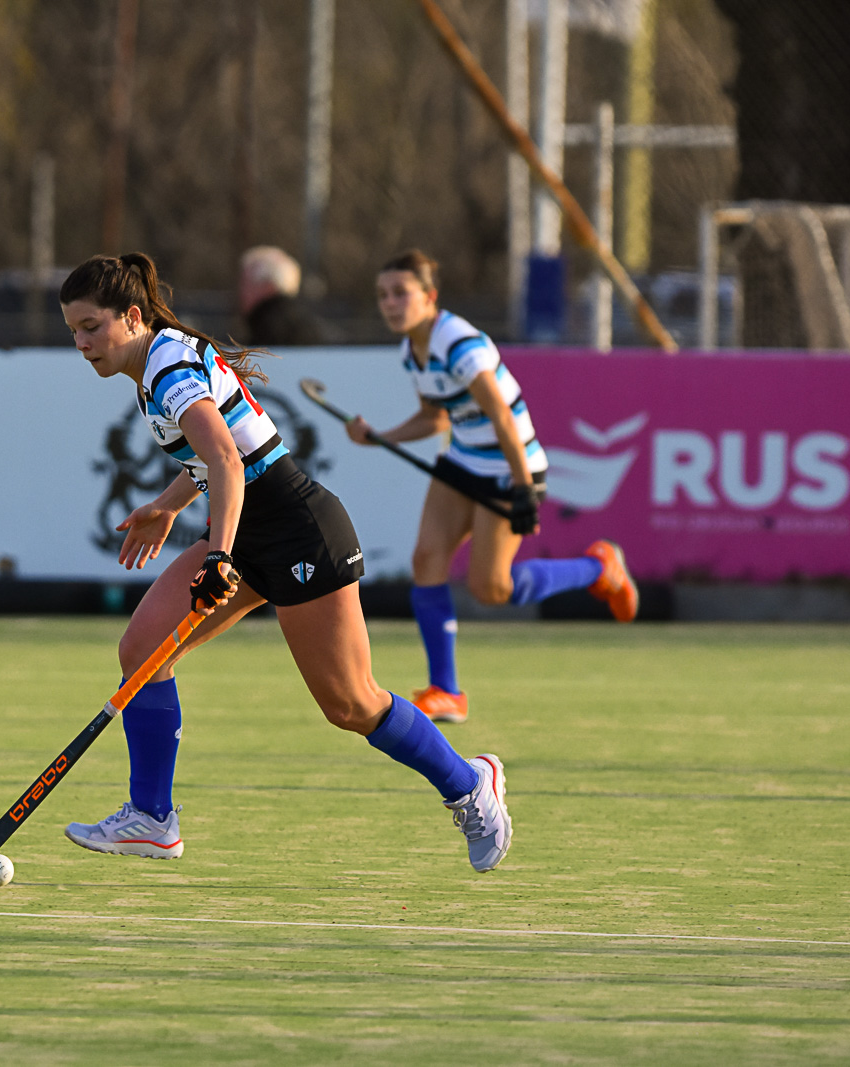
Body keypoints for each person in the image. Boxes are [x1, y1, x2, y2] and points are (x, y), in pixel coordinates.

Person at [58, 252, 512, 873]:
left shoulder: (165, 368)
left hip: (299, 532)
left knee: (351, 705)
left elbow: (227, 461)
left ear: (131, 317)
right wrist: (167, 505)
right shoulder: (154, 362)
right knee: (143, 651)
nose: (82, 345)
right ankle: (151, 819)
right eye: (73, 332)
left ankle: (469, 783)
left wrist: (218, 555)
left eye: (91, 328)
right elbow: (219, 455)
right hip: (248, 532)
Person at [346, 250, 638, 725]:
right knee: (426, 560)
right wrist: (381, 435)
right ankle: (447, 691)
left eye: (401, 293)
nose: (391, 304)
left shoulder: (459, 344)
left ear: (429, 297)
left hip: (508, 470)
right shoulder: (411, 352)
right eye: (383, 295)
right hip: (464, 462)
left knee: (492, 588)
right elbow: (436, 416)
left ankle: (598, 567)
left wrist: (524, 489)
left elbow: (502, 415)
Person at [238, 246, 322, 346]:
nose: (240, 292)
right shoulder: (313, 326)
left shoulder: (268, 331)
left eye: (246, 283)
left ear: (267, 285)